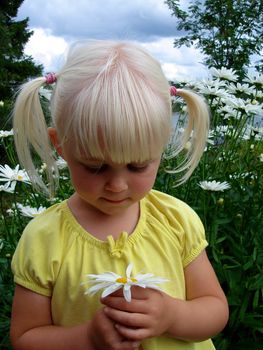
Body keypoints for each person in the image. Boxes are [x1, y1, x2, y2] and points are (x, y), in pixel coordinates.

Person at [10, 40, 229, 350]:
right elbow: (25, 338)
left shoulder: (176, 220)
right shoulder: (43, 239)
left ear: (160, 146)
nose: (117, 185)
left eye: (138, 166)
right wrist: (86, 338)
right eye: (96, 167)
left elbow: (215, 310)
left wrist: (172, 315)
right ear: (60, 146)